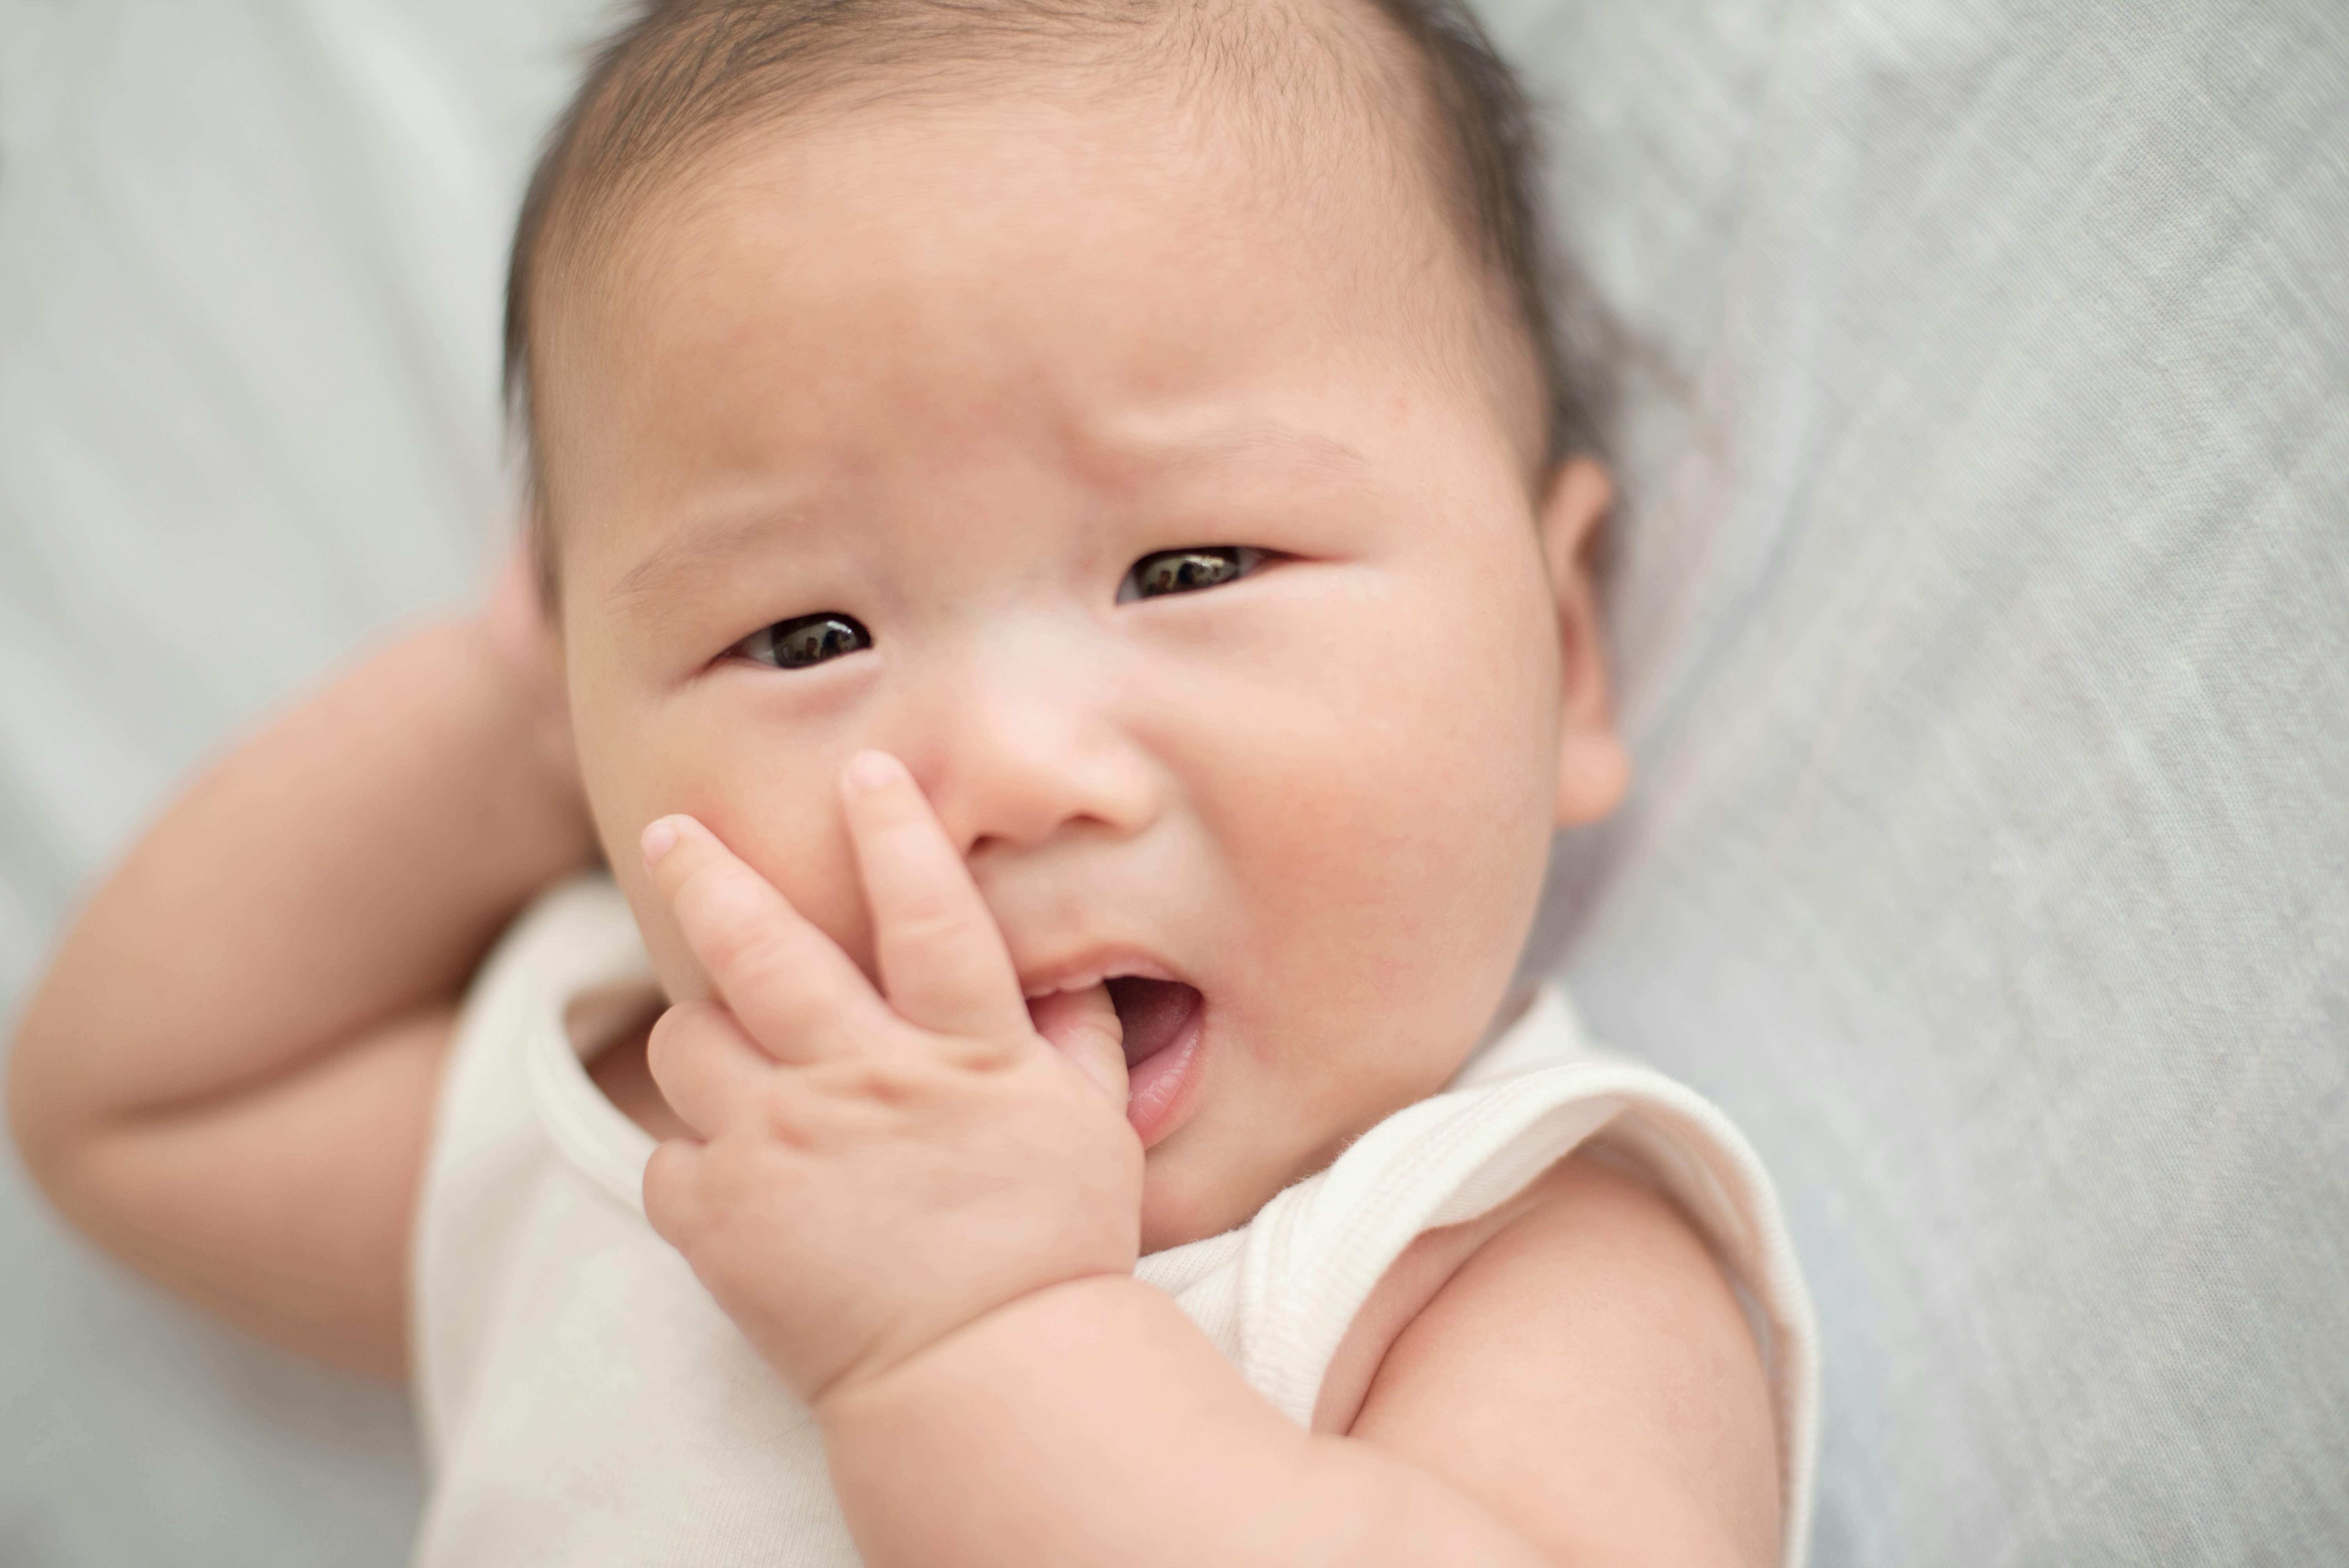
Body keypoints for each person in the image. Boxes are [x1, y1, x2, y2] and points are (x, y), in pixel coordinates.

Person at [6, 0, 1816, 1562]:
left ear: (1562, 649)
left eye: (1189, 570)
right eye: (800, 638)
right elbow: (134, 1109)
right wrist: (511, 719)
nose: (1010, 777)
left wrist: (980, 1337)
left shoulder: (1501, 1238)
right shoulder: (672, 1126)